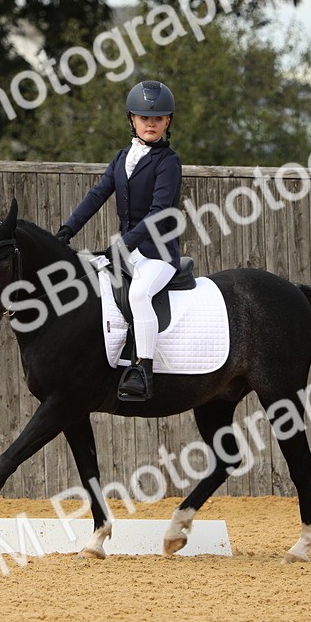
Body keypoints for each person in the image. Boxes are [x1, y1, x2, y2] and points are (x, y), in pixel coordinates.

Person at [54, 80, 182, 401]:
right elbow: (97, 195)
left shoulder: (168, 162)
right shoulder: (122, 157)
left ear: (167, 122)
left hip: (158, 255)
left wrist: (124, 244)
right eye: (143, 118)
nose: (150, 123)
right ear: (131, 119)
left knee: (138, 293)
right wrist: (67, 229)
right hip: (128, 252)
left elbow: (158, 213)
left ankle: (143, 371)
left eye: (157, 119)